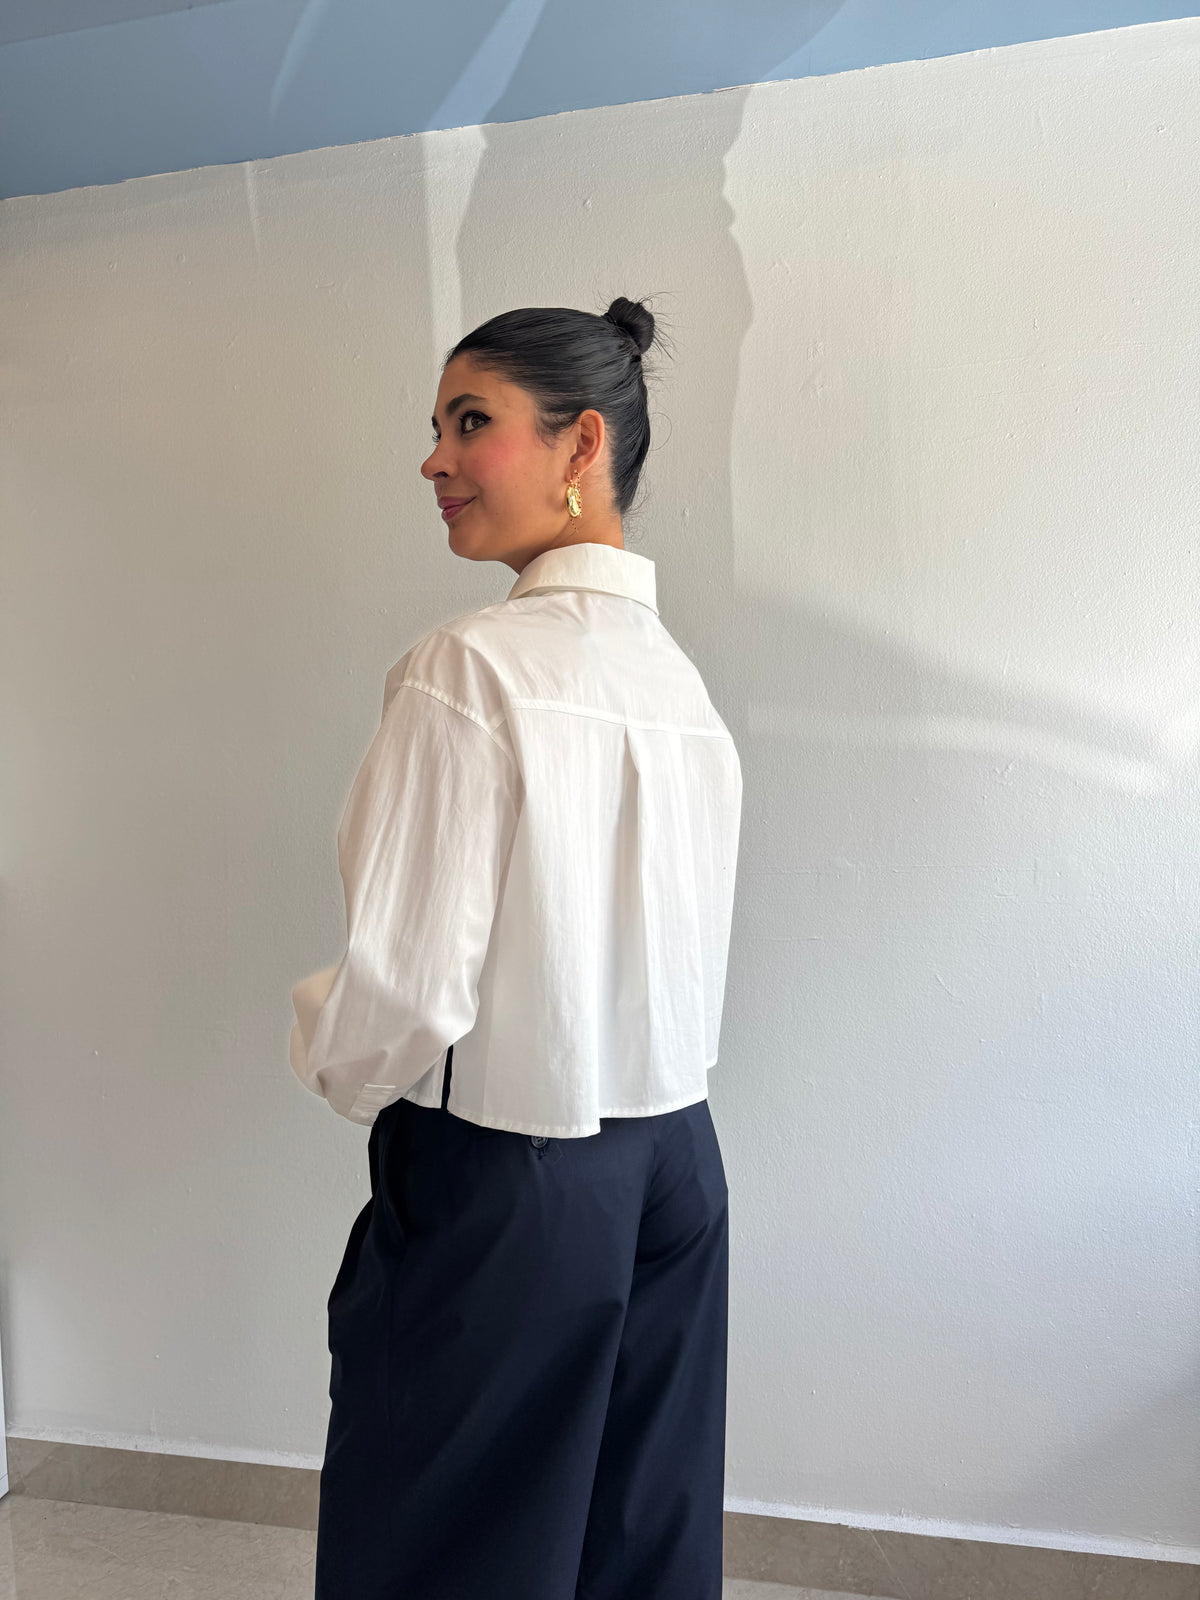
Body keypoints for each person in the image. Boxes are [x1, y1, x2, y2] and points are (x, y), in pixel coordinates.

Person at [289, 295, 743, 1599]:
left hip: (508, 1170)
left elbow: (404, 985)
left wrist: (330, 1050)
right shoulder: (678, 685)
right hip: (676, 1164)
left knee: (443, 1548)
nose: (434, 459)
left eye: (470, 422)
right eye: (437, 427)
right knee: (635, 1537)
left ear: (579, 442)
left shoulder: (468, 670)